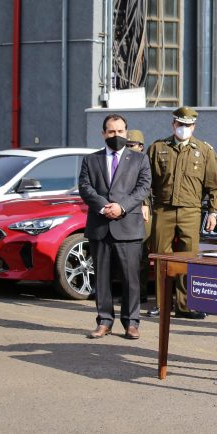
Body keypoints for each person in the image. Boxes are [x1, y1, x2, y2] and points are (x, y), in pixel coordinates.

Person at [78, 114, 151, 340]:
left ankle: (131, 322)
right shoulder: (91, 160)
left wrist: (122, 207)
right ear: (103, 134)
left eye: (120, 131)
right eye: (111, 131)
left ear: (126, 133)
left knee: (131, 278)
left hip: (128, 226)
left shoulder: (140, 159)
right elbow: (85, 187)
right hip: (100, 226)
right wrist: (103, 207)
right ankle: (104, 321)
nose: (116, 135)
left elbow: (143, 187)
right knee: (102, 278)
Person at [146, 107, 217, 319]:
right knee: (162, 258)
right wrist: (145, 204)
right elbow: (145, 181)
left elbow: (215, 186)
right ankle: (162, 304)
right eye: (180, 124)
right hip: (163, 209)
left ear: (194, 127)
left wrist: (213, 212)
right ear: (173, 125)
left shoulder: (204, 151)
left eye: (188, 125)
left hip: (191, 211)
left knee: (188, 258)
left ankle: (185, 305)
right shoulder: (157, 148)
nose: (183, 128)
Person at [126, 129, 151, 304]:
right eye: (126, 145)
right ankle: (128, 292)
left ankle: (140, 293)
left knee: (141, 254)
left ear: (141, 146)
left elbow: (147, 186)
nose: (128, 148)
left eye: (131, 145)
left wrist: (145, 204)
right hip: (126, 211)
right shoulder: (121, 161)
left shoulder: (144, 161)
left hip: (143, 210)